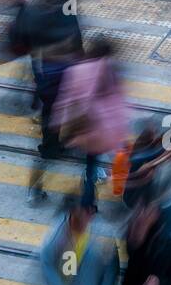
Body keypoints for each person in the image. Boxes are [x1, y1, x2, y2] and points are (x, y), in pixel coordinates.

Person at [13, 0, 83, 204]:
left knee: (50, 112)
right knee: (68, 112)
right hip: (66, 73)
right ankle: (59, 145)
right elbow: (76, 38)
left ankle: (51, 144)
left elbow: (22, 37)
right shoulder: (66, 5)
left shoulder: (32, 8)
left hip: (44, 72)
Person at [53, 35, 130, 205]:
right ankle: (121, 187)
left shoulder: (77, 70)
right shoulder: (112, 69)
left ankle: (87, 204)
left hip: (89, 130)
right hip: (111, 129)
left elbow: (67, 99)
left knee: (90, 165)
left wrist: (57, 122)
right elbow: (120, 100)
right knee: (116, 156)